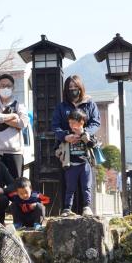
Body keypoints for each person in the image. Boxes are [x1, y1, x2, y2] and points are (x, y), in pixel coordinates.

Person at [52, 75, 101, 216]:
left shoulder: (90, 104)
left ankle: (87, 208)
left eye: (76, 88)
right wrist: (65, 136)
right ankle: (67, 209)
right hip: (68, 151)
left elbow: (96, 122)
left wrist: (84, 132)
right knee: (69, 184)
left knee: (86, 184)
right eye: (70, 88)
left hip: (85, 149)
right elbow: (55, 126)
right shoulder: (62, 107)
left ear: (81, 88)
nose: (73, 90)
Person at [0, 73, 29, 179]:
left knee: (16, 185)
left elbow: (23, 123)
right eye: (2, 85)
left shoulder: (19, 105)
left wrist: (0, 119)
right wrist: (13, 116)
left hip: (15, 152)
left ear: (13, 88)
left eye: (8, 86)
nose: (5, 88)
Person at [58, 109, 95, 217]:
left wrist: (84, 137)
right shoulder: (67, 135)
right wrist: (60, 154)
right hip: (71, 166)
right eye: (70, 123)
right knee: (70, 188)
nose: (71, 125)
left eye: (73, 122)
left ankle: (87, 207)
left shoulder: (88, 134)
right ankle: (67, 209)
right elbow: (58, 148)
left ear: (81, 122)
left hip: (85, 165)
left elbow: (93, 145)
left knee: (86, 187)